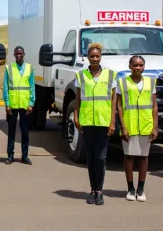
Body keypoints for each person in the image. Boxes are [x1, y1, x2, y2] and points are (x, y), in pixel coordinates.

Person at [73, 43, 116, 205]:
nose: (95, 59)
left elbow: (113, 101)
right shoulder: (81, 76)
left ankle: (99, 190)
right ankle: (92, 190)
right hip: (87, 122)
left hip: (104, 122)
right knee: (91, 158)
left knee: (101, 158)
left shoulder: (111, 76)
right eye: (92, 56)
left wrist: (112, 122)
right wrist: (76, 117)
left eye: (97, 56)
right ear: (88, 57)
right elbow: (78, 100)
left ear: (101, 57)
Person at [116, 55, 158, 202]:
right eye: (135, 65)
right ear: (130, 66)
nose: (138, 68)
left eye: (141, 65)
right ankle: (130, 188)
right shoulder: (122, 83)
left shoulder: (150, 82)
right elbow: (119, 106)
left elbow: (154, 106)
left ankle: (141, 189)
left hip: (146, 125)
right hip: (129, 124)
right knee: (128, 156)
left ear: (144, 67)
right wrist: (122, 126)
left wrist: (155, 127)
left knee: (144, 157)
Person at [3, 46, 34, 165]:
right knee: (11, 131)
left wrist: (31, 103)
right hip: (12, 104)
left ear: (24, 54)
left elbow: (32, 87)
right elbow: (5, 87)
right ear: (14, 55)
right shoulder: (9, 68)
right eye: (16, 54)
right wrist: (7, 103)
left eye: (20, 53)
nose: (18, 55)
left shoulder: (30, 68)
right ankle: (10, 155)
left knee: (25, 132)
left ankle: (24, 156)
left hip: (25, 105)